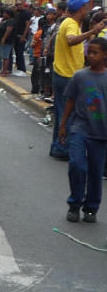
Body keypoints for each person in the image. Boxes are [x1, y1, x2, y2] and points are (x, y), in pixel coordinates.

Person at [50, 0, 106, 159]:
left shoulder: (71, 24)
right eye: (85, 6)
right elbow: (71, 40)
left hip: (65, 74)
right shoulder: (70, 24)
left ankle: (58, 146)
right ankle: (63, 148)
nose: (87, 8)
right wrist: (93, 32)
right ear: (81, 9)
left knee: (62, 113)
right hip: (67, 75)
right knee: (68, 114)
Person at [59, 37, 107, 223]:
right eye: (90, 51)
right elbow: (70, 101)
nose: (91, 55)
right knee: (77, 165)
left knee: (95, 171)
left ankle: (91, 207)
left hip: (101, 132)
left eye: (96, 52)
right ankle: (74, 204)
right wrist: (63, 125)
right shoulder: (80, 76)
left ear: (105, 55)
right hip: (80, 128)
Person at [0, 6, 16, 76]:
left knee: (5, 57)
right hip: (3, 40)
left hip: (7, 41)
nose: (3, 14)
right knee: (3, 57)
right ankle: (3, 70)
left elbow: (8, 30)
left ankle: (5, 71)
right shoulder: (6, 20)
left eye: (5, 13)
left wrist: (3, 38)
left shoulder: (11, 21)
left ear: (9, 14)